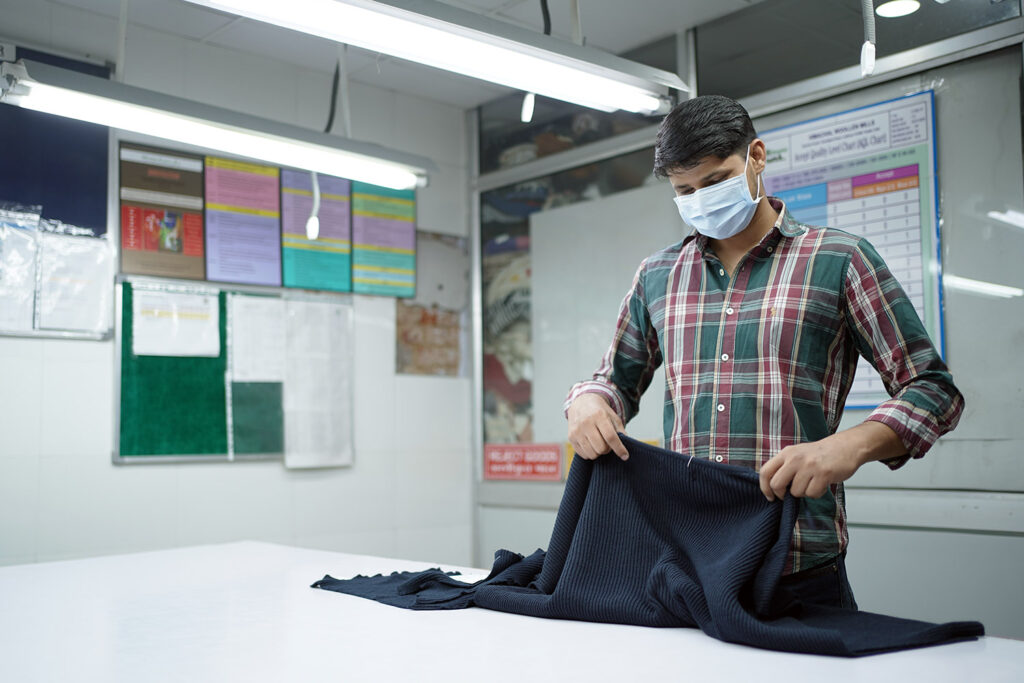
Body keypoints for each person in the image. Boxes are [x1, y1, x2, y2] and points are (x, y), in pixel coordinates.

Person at [563, 95, 964, 609]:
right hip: (684, 559)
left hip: (796, 559)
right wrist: (588, 401)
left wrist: (852, 445)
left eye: (715, 181)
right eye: (685, 191)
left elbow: (933, 390)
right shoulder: (658, 275)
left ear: (756, 156)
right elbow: (613, 381)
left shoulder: (839, 259)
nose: (702, 200)